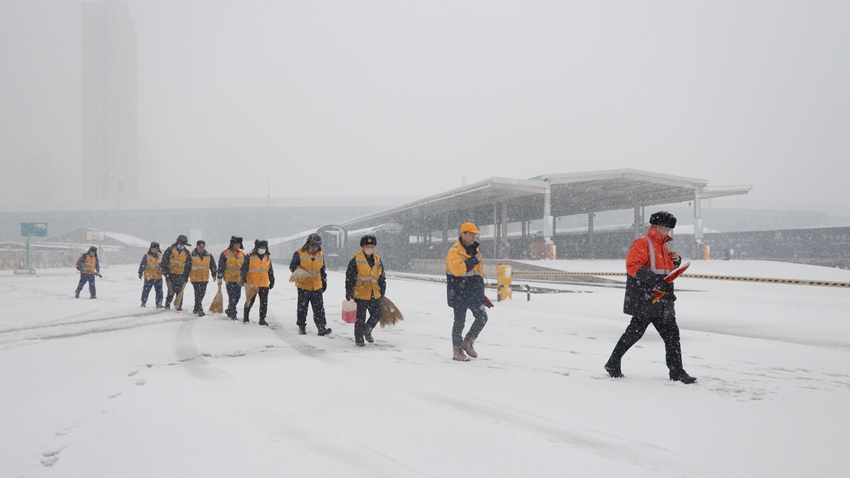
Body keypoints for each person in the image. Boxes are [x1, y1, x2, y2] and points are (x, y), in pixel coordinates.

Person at [604, 211, 697, 384]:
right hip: (646, 299)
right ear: (657, 226)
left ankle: (677, 372)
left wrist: (676, 261)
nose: (669, 231)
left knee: (672, 336)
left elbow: (666, 271)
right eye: (667, 227)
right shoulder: (643, 243)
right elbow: (632, 266)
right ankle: (613, 362)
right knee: (634, 334)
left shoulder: (663, 246)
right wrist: (656, 281)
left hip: (664, 300)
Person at [445, 222, 492, 361]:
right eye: (470, 234)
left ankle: (468, 342)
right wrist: (474, 260)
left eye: (475, 234)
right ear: (462, 234)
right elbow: (459, 271)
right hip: (459, 292)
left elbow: (478, 274)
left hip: (473, 292)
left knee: (482, 317)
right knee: (459, 321)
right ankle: (457, 351)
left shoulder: (475, 250)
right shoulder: (454, 251)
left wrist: (481, 293)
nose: (474, 237)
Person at [345, 235, 386, 346]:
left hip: (374, 294)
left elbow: (381, 277)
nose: (370, 248)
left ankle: (367, 329)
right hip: (360, 294)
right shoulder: (356, 260)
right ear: (362, 247)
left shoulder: (378, 259)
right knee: (360, 319)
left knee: (377, 314)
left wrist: (382, 291)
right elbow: (349, 278)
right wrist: (349, 293)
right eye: (367, 246)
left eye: (372, 246)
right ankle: (359, 339)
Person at [289, 233, 331, 336]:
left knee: (319, 307)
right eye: (312, 245)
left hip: (317, 285)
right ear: (308, 244)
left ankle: (321, 327)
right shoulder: (299, 253)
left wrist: (324, 281)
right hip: (303, 286)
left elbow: (322, 269)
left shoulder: (321, 254)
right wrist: (299, 272)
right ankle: (301, 326)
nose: (314, 248)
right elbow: (292, 267)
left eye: (316, 246)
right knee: (302, 308)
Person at [240, 239, 275, 325]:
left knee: (264, 303)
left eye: (264, 247)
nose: (262, 249)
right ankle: (246, 317)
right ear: (257, 247)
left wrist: (272, 280)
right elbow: (244, 268)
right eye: (260, 247)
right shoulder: (249, 256)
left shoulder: (267, 257)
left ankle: (262, 319)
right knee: (250, 301)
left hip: (264, 283)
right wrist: (243, 278)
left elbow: (270, 270)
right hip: (252, 283)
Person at [217, 236, 246, 320]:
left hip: (239, 279)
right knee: (232, 296)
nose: (237, 246)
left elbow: (244, 267)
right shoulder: (225, 254)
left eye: (238, 244)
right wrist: (219, 276)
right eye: (236, 244)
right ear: (232, 244)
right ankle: (233, 313)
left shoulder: (242, 254)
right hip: (229, 279)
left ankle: (230, 309)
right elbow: (221, 266)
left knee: (238, 296)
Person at [160, 235, 192, 310]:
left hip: (180, 275)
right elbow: (164, 260)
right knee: (171, 290)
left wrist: (186, 275)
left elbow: (188, 265)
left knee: (180, 291)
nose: (181, 245)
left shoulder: (187, 253)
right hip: (170, 274)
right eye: (180, 243)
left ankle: (178, 306)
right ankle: (168, 304)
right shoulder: (170, 250)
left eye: (183, 244)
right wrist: (164, 270)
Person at [189, 240, 217, 316]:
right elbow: (187, 266)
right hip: (195, 278)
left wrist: (214, 274)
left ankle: (196, 307)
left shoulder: (208, 255)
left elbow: (213, 265)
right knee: (198, 293)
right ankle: (199, 308)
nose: (202, 248)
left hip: (204, 278)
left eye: (203, 247)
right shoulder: (191, 255)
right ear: (197, 246)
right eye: (200, 246)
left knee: (202, 293)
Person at [138, 242, 164, 308]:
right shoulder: (146, 256)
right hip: (149, 276)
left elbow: (163, 265)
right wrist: (140, 272)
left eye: (156, 249)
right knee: (146, 290)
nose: (154, 250)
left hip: (158, 276)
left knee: (159, 291)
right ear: (150, 249)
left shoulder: (160, 256)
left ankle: (159, 302)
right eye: (153, 249)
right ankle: (143, 302)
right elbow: (142, 264)